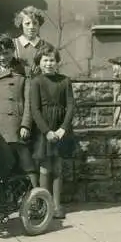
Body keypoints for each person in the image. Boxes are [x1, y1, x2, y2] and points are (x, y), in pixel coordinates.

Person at [0, 34, 40, 217]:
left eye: (6, 53)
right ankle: (1, 203)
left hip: (15, 127)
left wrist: (25, 125)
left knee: (27, 165)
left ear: (12, 51)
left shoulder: (23, 74)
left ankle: (36, 202)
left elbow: (29, 103)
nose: (2, 58)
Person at [30, 45, 76, 219]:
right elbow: (35, 109)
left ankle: (57, 205)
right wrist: (47, 131)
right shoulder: (36, 82)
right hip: (44, 130)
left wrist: (63, 128)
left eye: (52, 60)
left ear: (57, 62)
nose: (49, 63)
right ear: (39, 62)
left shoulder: (65, 81)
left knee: (57, 166)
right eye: (45, 60)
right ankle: (44, 204)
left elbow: (71, 105)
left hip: (61, 128)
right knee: (44, 167)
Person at [12, 5, 55, 78]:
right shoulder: (13, 44)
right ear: (21, 25)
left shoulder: (46, 46)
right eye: (27, 23)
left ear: (39, 25)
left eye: (35, 23)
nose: (31, 27)